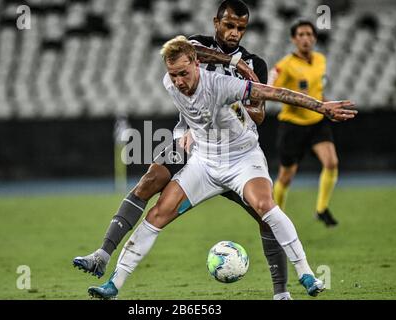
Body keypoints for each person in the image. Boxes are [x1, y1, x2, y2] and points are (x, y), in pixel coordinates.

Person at [86, 36, 356, 300]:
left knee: (265, 207)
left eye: (183, 73)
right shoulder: (169, 82)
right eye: (173, 74)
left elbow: (274, 93)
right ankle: (114, 284)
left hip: (242, 159)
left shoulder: (221, 85)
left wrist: (321, 107)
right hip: (204, 163)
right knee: (158, 213)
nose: (179, 81)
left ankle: (306, 274)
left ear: (195, 63)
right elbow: (190, 55)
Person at [74, 0, 293, 300]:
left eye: (240, 28)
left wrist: (241, 98)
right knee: (149, 181)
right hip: (191, 139)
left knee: (265, 215)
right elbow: (190, 55)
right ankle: (102, 254)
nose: (234, 33)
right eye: (228, 25)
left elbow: (259, 114)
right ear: (216, 22)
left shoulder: (256, 64)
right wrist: (232, 64)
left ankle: (281, 293)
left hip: (234, 151)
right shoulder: (196, 46)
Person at [269, 19, 340, 227]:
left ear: (315, 38)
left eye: (309, 34)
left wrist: (328, 107)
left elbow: (318, 91)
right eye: (300, 35)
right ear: (293, 39)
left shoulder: (320, 60)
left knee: (331, 162)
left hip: (317, 122)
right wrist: (296, 98)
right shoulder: (284, 66)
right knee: (285, 177)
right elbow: (269, 91)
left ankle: (321, 209)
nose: (305, 38)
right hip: (293, 125)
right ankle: (276, 219)